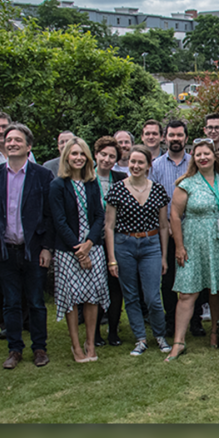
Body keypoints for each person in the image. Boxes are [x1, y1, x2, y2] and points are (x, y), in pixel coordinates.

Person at [0, 123, 54, 370]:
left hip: (33, 250)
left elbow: (48, 215)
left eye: (17, 140)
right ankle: (14, 349)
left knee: (35, 301)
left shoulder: (42, 175)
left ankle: (39, 347)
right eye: (8, 139)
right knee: (10, 303)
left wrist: (46, 247)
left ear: (28, 146)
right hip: (3, 252)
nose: (11, 143)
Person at [104, 145, 173, 356]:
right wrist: (112, 259)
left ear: (149, 165)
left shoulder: (158, 190)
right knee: (131, 295)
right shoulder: (117, 189)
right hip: (124, 244)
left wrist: (163, 256)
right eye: (132, 162)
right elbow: (109, 226)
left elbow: (163, 226)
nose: (136, 166)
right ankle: (140, 339)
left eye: (140, 162)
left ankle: (160, 335)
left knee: (152, 296)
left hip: (151, 244)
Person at [170, 139, 219, 357]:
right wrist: (179, 246)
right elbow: (175, 216)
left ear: (214, 156)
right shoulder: (186, 183)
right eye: (198, 155)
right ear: (193, 158)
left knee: (217, 290)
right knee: (188, 292)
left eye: (206, 153)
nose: (203, 157)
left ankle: (216, 332)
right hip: (193, 243)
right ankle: (179, 341)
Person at [49, 137, 109, 363]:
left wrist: (89, 245)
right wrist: (79, 250)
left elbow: (99, 216)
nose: (78, 158)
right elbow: (59, 221)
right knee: (72, 299)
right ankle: (76, 345)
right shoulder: (57, 185)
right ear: (66, 157)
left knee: (92, 297)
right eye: (73, 154)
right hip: (68, 250)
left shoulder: (92, 183)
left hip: (92, 246)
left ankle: (90, 343)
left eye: (81, 154)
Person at [149, 119, 191, 338]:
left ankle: (193, 322)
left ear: (186, 138)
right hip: (163, 232)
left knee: (192, 276)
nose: (176, 139)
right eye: (172, 135)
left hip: (192, 231)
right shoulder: (155, 167)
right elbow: (151, 199)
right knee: (167, 279)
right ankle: (170, 320)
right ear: (165, 138)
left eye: (179, 135)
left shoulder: (194, 163)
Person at [92, 136, 127, 346]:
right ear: (96, 154)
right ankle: (94, 332)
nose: (107, 159)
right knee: (96, 288)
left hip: (117, 240)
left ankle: (113, 331)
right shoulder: (86, 178)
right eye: (103, 154)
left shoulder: (121, 178)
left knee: (116, 288)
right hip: (94, 241)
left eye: (112, 156)